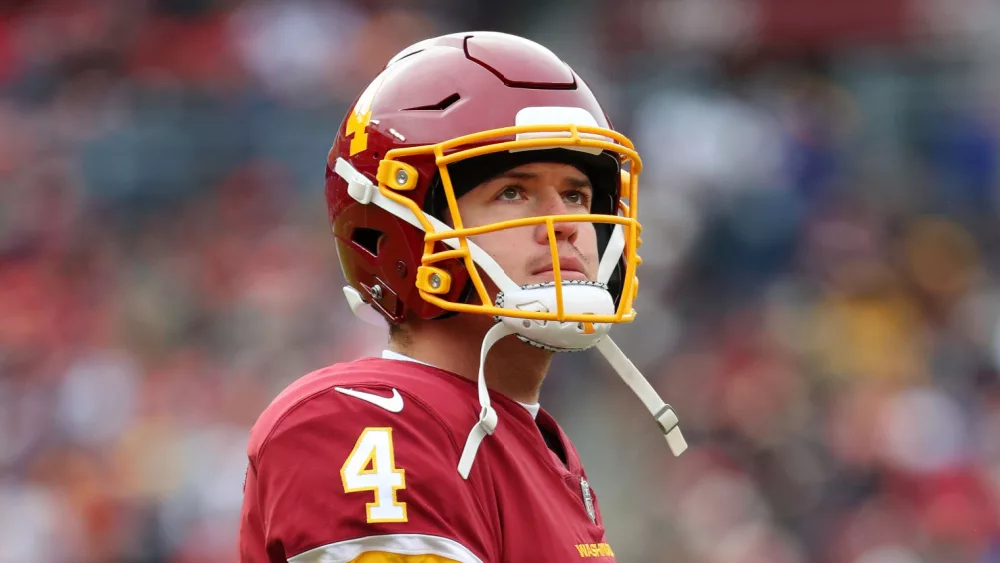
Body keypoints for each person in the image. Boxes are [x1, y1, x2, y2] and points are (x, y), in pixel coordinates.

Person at [238, 31, 687, 563]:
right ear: (401, 232)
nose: (565, 224)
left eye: (576, 193)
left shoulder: (534, 439)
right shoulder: (367, 420)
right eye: (512, 192)